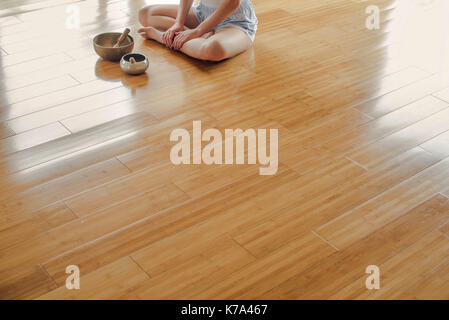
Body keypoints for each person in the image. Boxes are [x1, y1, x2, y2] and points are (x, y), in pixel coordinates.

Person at [138, 0, 258, 61]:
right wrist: (178, 23)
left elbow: (233, 3)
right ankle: (199, 37)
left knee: (213, 50)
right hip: (203, 13)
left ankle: (162, 37)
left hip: (235, 22)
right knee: (145, 14)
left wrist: (196, 32)